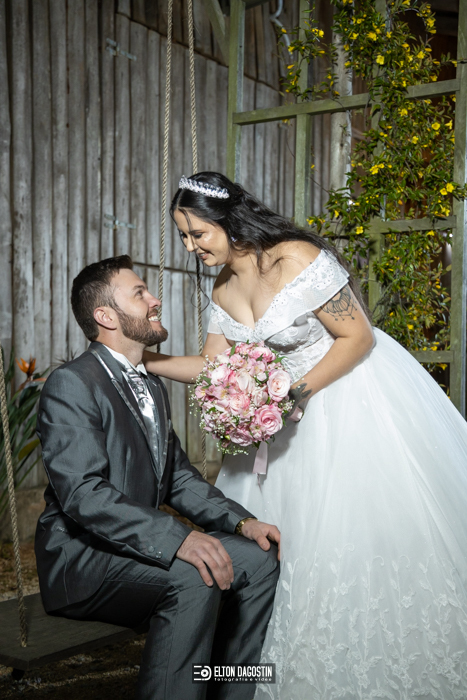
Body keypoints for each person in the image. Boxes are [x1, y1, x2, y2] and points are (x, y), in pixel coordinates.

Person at [144, 172, 467, 699]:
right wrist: (145, 361)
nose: (189, 246)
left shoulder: (296, 257)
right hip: (278, 423)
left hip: (346, 397)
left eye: (197, 233)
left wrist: (293, 393)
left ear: (228, 221)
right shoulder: (222, 287)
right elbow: (213, 366)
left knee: (351, 537)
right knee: (278, 548)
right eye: (183, 235)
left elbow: (357, 336)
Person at [34, 255, 281, 700]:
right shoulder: (72, 383)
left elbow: (178, 479)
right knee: (195, 575)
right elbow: (84, 495)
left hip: (132, 546)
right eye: (139, 293)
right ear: (106, 316)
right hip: (81, 559)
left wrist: (242, 522)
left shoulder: (150, 384)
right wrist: (179, 539)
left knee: (259, 559)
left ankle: (227, 692)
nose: (154, 299)